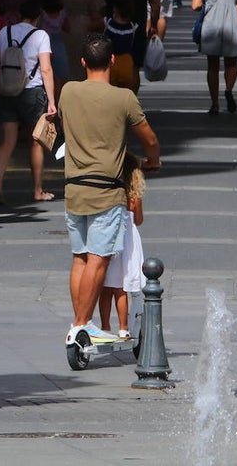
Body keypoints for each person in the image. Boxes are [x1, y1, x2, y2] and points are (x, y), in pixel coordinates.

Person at [59, 35, 160, 345]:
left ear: (83, 62)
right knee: (98, 259)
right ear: (113, 61)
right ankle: (80, 325)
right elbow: (149, 138)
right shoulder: (124, 98)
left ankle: (81, 323)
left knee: (79, 258)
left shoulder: (68, 91)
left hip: (74, 189)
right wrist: (153, 160)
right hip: (107, 190)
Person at [0, 0, 56, 206]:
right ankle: (38, 190)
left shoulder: (4, 32)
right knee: (35, 141)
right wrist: (52, 100)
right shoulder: (40, 35)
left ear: (20, 14)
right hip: (32, 92)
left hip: (7, 91)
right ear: (38, 17)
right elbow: (46, 69)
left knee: (8, 141)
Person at [99, 152, 146, 339]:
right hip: (128, 243)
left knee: (105, 288)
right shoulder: (134, 198)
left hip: (110, 238)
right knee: (121, 288)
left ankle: (104, 326)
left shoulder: (110, 193)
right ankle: (123, 328)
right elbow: (139, 221)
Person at [192, 0, 237, 115]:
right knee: (232, 63)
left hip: (211, 27)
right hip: (231, 26)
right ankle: (228, 89)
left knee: (212, 66)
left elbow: (195, 5)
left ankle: (214, 103)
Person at [55, 0, 106, 80]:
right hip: (85, 28)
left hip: (61, 28)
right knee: (82, 65)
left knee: (64, 66)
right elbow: (98, 15)